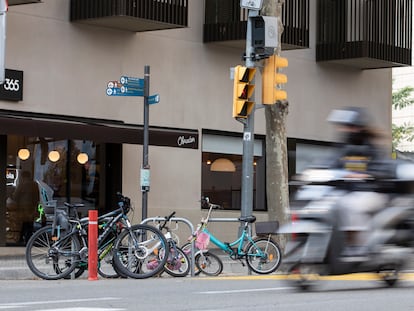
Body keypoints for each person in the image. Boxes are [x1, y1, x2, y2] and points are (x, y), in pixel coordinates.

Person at [327, 107, 389, 259]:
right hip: (349, 192)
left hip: (372, 192)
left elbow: (382, 168)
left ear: (359, 126)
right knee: (332, 205)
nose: (346, 129)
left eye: (349, 126)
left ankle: (358, 245)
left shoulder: (370, 147)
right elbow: (331, 162)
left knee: (351, 205)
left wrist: (367, 175)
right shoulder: (344, 146)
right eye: (344, 126)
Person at [11, 170, 40, 244]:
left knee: (23, 223)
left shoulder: (22, 184)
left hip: (22, 207)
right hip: (31, 207)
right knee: (29, 224)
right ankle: (28, 239)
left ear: (23, 177)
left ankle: (21, 239)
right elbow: (37, 197)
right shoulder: (35, 184)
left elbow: (15, 196)